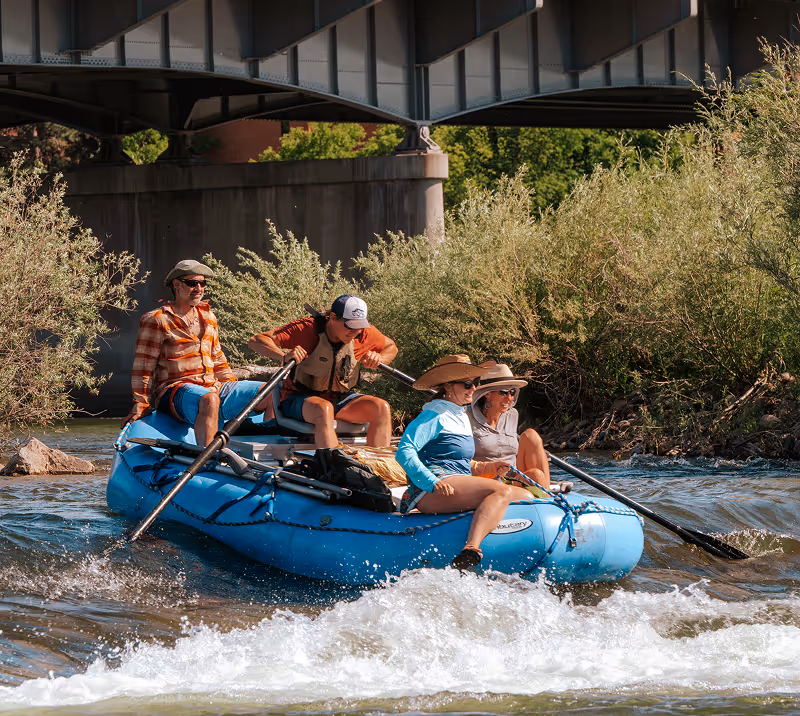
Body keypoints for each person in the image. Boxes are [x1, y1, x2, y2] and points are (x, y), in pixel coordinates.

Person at [395, 355, 535, 570]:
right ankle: (471, 549)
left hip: (456, 480)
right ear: (449, 387)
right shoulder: (434, 414)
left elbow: (459, 461)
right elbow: (404, 452)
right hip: (431, 490)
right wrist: (431, 482)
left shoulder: (459, 414)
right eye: (468, 384)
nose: (473, 389)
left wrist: (489, 467)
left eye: (476, 383)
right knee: (501, 492)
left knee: (525, 496)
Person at [123, 260, 273, 446]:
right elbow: (143, 368)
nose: (199, 288)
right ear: (176, 284)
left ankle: (267, 455)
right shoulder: (156, 320)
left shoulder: (209, 318)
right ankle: (206, 458)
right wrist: (141, 404)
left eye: (203, 284)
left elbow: (218, 359)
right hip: (175, 390)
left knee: (270, 390)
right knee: (209, 400)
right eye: (192, 283)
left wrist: (232, 389)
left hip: (212, 387)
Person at [247, 295, 398, 449]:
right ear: (333, 318)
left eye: (360, 326)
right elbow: (257, 340)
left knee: (381, 408)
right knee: (324, 409)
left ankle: (377, 467)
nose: (355, 332)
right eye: (350, 326)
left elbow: (391, 346)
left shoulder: (364, 334)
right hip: (298, 399)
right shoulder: (308, 329)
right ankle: (332, 467)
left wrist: (380, 358)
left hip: (340, 399)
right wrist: (283, 356)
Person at [468, 361, 571, 494]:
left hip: (513, 478)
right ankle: (543, 494)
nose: (509, 398)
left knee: (531, 436)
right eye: (504, 392)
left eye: (512, 392)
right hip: (487, 480)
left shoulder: (512, 415)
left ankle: (546, 493)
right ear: (487, 393)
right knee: (536, 476)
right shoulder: (466, 417)